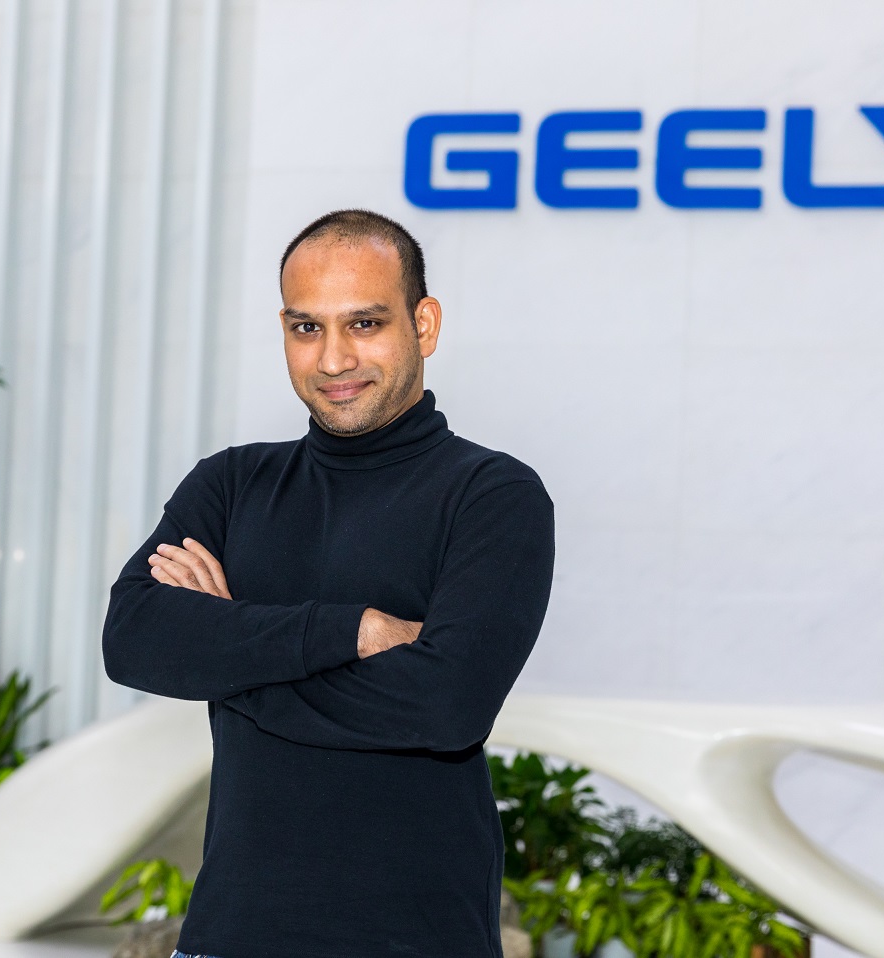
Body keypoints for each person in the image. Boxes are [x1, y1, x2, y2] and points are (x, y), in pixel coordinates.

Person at [103, 208, 556, 958]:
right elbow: (132, 640)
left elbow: (447, 705)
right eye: (307, 327)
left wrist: (232, 651)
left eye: (365, 324)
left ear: (424, 325)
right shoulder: (231, 485)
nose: (334, 358)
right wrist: (353, 631)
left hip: (417, 942)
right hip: (228, 937)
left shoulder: (492, 495)